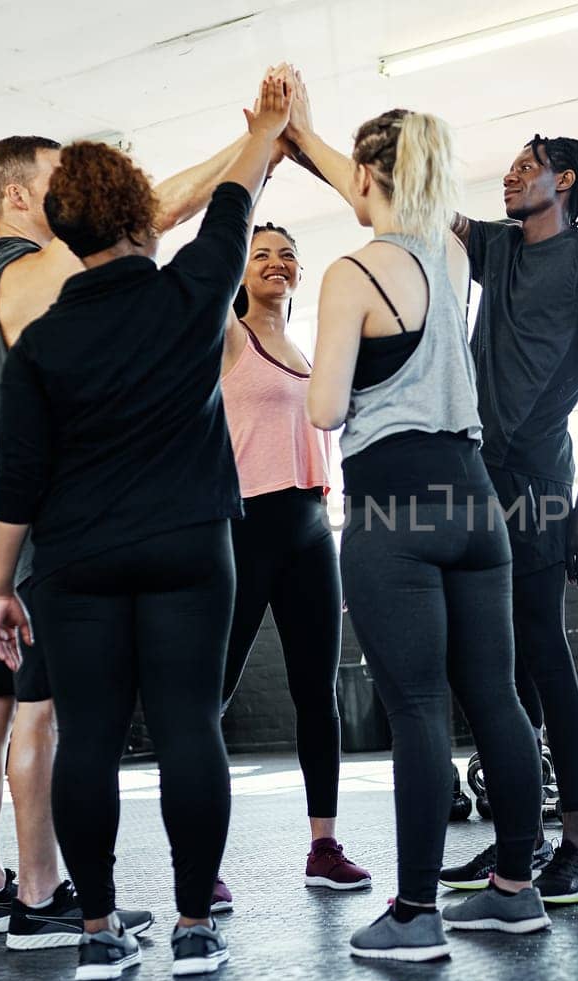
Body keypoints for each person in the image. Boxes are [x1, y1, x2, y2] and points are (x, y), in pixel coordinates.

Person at [0, 70, 293, 981]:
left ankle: (97, 931)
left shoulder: (39, 344)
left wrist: (1, 588)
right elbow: (235, 206)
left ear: (66, 231)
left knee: (88, 737)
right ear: (140, 216)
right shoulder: (191, 289)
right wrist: (267, 129)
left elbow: (19, 483)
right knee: (190, 726)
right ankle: (196, 926)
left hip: (74, 565)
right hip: (191, 545)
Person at [289, 96, 549, 961]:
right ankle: (516, 889)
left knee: (419, 708)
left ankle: (414, 914)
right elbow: (389, 199)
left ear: (368, 178)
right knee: (499, 699)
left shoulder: (350, 273)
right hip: (477, 504)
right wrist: (303, 140)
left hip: (394, 511)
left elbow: (326, 406)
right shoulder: (451, 254)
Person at [439, 134, 578, 904]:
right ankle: (519, 836)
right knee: (494, 663)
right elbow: (413, 201)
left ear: (566, 178)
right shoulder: (500, 247)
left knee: (544, 654)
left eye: (528, 164)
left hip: (544, 478)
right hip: (479, 477)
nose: (510, 174)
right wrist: (301, 142)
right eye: (509, 165)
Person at [213, 223, 370, 910]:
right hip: (244, 529)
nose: (277, 264)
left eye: (287, 256)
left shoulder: (310, 353)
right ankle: (203, 859)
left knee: (318, 696)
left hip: (311, 530)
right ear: (242, 273)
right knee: (208, 699)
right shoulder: (227, 335)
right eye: (262, 255)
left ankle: (324, 847)